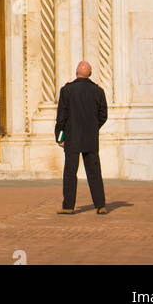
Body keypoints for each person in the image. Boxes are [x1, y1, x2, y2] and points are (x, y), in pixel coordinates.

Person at [54, 61, 108, 214]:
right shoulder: (98, 91)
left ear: (76, 72)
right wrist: (93, 128)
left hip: (72, 137)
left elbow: (61, 116)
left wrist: (59, 136)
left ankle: (68, 206)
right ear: (89, 74)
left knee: (70, 172)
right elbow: (103, 115)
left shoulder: (67, 90)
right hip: (90, 138)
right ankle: (100, 205)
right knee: (94, 172)